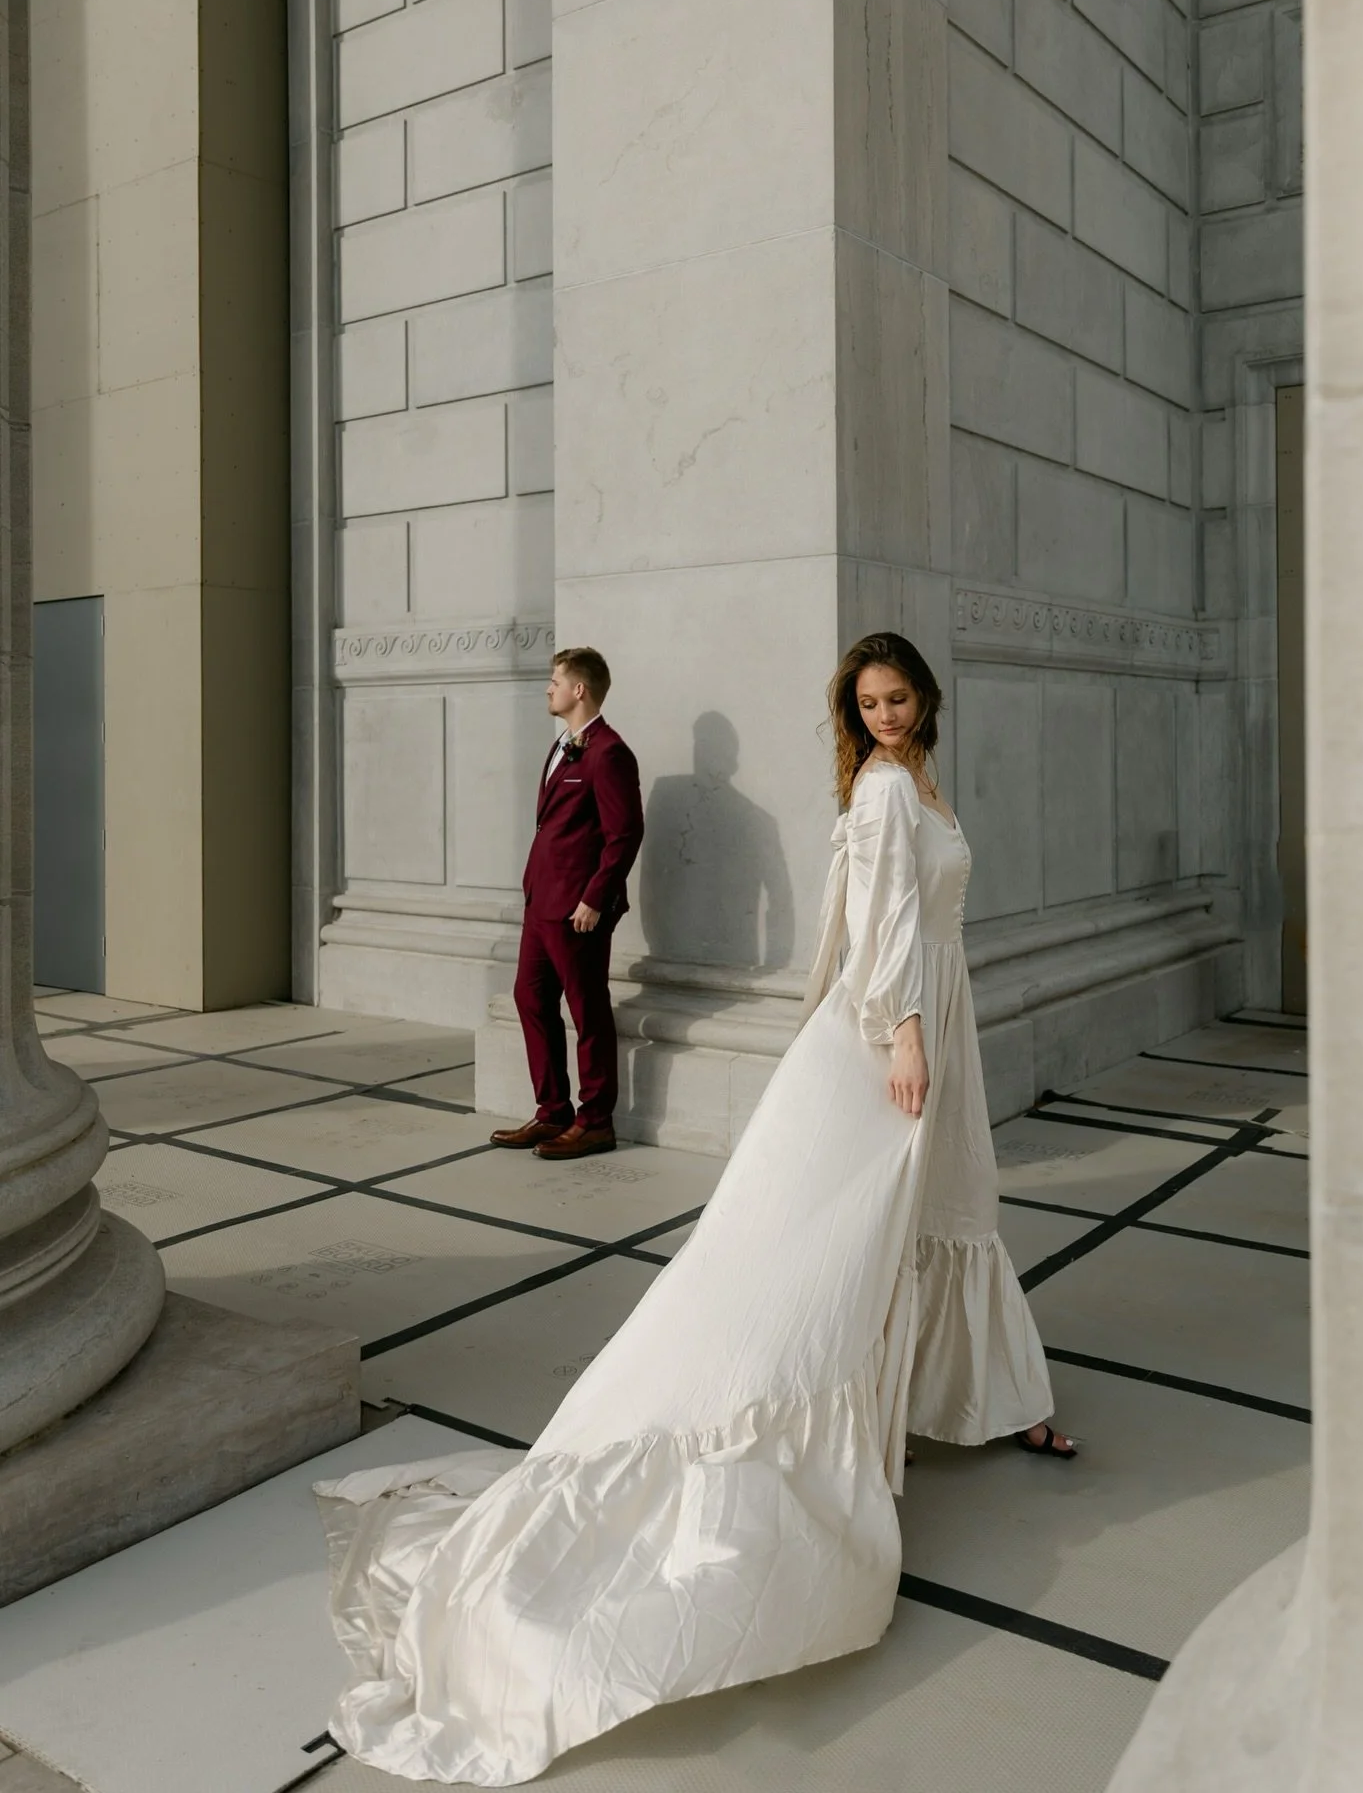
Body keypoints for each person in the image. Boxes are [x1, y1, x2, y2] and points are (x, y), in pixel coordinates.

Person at [316, 632, 1075, 1787]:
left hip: (936, 1015)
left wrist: (928, 1023)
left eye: (897, 697)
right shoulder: (881, 794)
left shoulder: (917, 782)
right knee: (823, 1250)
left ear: (925, 700)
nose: (882, 714)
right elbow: (881, 933)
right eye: (865, 702)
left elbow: (916, 920)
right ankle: (923, 1410)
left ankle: (999, 1396)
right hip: (900, 1028)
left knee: (953, 1210)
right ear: (854, 711)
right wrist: (906, 1038)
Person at [490, 647, 644, 1162]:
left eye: (555, 680)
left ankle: (596, 1120)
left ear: (580, 689)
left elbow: (624, 834)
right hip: (541, 902)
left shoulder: (609, 752)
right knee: (530, 999)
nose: (548, 687)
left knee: (587, 1010)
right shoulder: (563, 745)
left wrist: (594, 899)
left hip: (578, 909)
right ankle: (552, 1110)